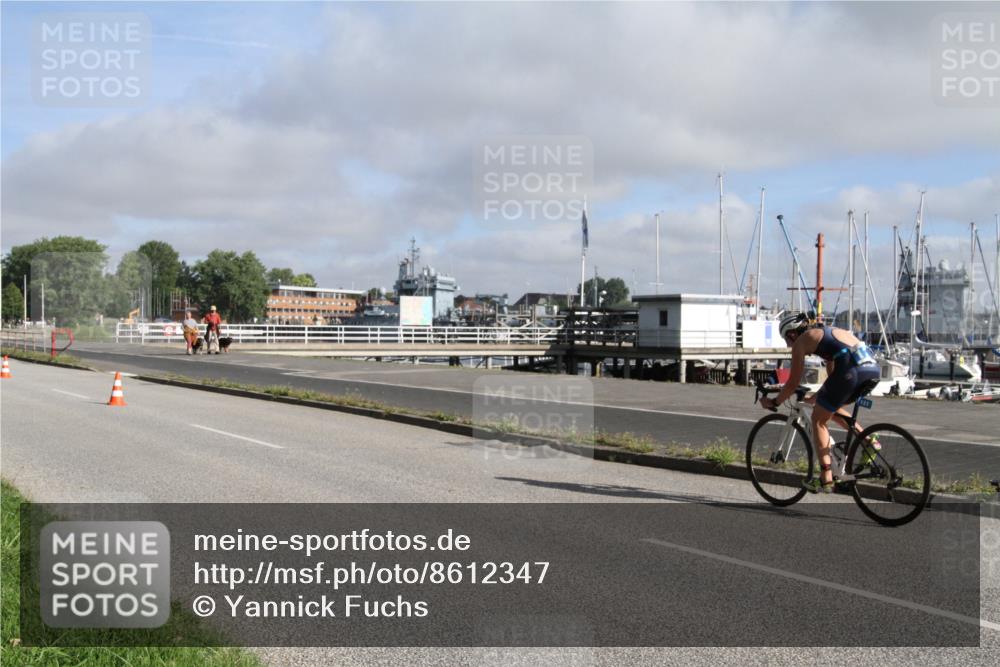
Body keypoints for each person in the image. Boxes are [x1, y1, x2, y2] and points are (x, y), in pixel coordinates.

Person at [759, 312, 881, 493]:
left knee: (818, 419)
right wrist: (815, 398)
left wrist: (775, 401)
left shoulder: (802, 341)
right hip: (871, 369)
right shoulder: (826, 334)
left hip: (851, 370)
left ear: (792, 333)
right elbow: (832, 380)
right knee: (830, 407)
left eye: (786, 339)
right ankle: (869, 441)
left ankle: (825, 477)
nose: (788, 344)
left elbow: (793, 383)